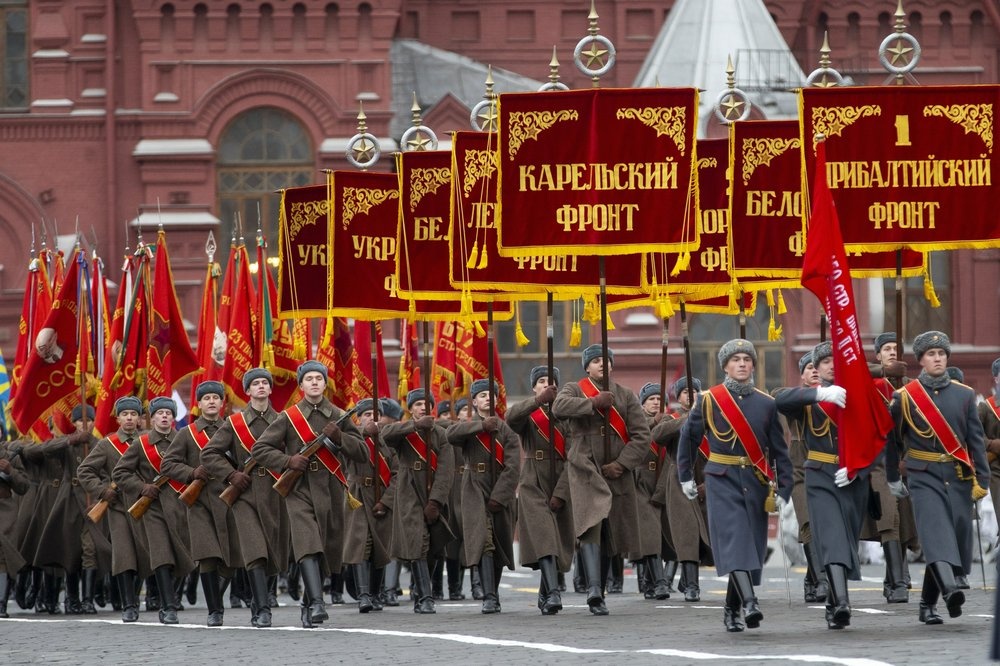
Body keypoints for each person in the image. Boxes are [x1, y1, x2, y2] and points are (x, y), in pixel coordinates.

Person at [679, 339, 792, 632]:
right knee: (736, 540)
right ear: (725, 366)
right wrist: (685, 476)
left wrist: (784, 487)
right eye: (735, 359)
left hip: (755, 481)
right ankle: (751, 602)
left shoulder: (766, 403)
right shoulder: (709, 399)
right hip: (721, 479)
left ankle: (731, 609)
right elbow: (689, 439)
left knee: (749, 547)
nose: (742, 363)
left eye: (747, 358)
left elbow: (779, 451)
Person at [252, 360, 367, 628]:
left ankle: (307, 604)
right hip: (299, 489)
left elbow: (361, 452)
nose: (314, 382)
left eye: (319, 378)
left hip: (330, 489)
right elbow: (260, 449)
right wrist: (287, 461)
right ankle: (317, 603)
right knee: (307, 543)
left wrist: (340, 437)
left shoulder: (338, 414)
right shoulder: (289, 417)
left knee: (325, 548)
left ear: (325, 384)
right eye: (309, 379)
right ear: (301, 385)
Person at [885, 331, 990, 625]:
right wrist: (893, 477)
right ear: (920, 361)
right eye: (931, 354)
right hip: (923, 475)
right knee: (935, 532)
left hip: (957, 476)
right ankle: (950, 589)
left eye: (942, 354)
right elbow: (891, 441)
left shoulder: (965, 394)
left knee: (954, 534)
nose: (937, 359)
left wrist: (981, 478)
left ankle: (927, 604)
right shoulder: (904, 398)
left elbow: (975, 441)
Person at [776, 341, 875, 630]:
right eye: (825, 361)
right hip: (819, 475)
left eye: (837, 360)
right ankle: (843, 602)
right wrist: (819, 393)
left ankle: (833, 600)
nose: (832, 365)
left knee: (846, 541)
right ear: (815, 369)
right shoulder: (808, 401)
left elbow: (877, 439)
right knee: (830, 537)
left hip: (853, 478)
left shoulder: (859, 395)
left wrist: (860, 467)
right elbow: (779, 399)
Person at [551, 344, 651, 616]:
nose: (602, 365)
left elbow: (642, 436)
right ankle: (594, 590)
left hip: (615, 473)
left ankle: (600, 590)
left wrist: (622, 464)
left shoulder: (626, 396)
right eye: (596, 361)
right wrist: (593, 403)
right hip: (585, 469)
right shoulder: (574, 388)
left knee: (610, 534)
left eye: (606, 360)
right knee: (590, 527)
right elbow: (559, 407)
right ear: (587, 367)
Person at [201, 368, 289, 628]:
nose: (261, 387)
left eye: (265, 383)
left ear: (271, 389)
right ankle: (263, 609)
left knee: (274, 553)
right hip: (245, 494)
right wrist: (230, 475)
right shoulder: (234, 424)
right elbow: (209, 454)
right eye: (255, 384)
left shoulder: (284, 420)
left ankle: (258, 599)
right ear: (248, 392)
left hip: (276, 492)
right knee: (254, 550)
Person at [112, 396, 197, 625]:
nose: (165, 417)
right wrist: (142, 487)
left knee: (184, 554)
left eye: (169, 413)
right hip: (153, 507)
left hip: (180, 505)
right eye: (160, 413)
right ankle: (168, 607)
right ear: (153, 417)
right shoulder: (142, 443)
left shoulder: (184, 439)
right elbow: (120, 473)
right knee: (162, 555)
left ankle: (168, 598)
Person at [161, 380, 239, 627]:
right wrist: (192, 473)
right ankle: (215, 610)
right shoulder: (187, 433)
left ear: (222, 402)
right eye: (207, 398)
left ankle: (214, 593)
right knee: (207, 556)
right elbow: (168, 464)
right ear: (199, 403)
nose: (212, 401)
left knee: (231, 559)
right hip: (201, 502)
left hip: (230, 499)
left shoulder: (234, 428)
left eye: (216, 397)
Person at [447, 379, 520, 614]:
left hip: (499, 489)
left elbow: (513, 467)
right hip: (474, 489)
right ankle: (489, 596)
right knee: (484, 540)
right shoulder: (469, 426)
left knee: (498, 543)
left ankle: (494, 592)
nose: (488, 398)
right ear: (475, 401)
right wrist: (481, 427)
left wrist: (500, 496)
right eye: (482, 395)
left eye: (492, 394)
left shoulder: (506, 430)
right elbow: (451, 434)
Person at [506, 365, 574, 615]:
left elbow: (573, 455)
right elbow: (512, 418)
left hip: (560, 479)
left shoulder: (566, 415)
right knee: (544, 534)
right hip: (533, 480)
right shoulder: (529, 415)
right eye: (541, 381)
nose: (546, 384)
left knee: (557, 540)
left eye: (551, 381)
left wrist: (562, 492)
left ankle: (546, 592)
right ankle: (554, 593)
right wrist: (537, 402)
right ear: (534, 386)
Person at [380, 388, 454, 614]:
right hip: (409, 491)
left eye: (426, 403)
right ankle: (426, 597)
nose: (423, 407)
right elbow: (385, 435)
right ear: (410, 408)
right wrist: (414, 427)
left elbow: (446, 469)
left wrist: (436, 501)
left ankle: (421, 592)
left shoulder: (440, 434)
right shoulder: (404, 431)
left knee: (432, 548)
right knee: (417, 541)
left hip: (432, 494)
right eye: (418, 404)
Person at [32, 404, 111, 615]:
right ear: (74, 423)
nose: (84, 424)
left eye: (89, 419)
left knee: (90, 549)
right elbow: (44, 450)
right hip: (69, 502)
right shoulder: (68, 444)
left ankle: (87, 600)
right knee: (71, 550)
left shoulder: (99, 444)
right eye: (79, 420)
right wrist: (71, 440)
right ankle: (72, 599)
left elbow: (107, 473)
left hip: (91, 503)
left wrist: (99, 494)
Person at [78, 399, 152, 623]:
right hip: (119, 506)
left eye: (133, 414)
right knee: (124, 554)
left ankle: (140, 597)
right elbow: (85, 471)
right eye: (125, 414)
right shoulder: (107, 444)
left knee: (144, 554)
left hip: (144, 505)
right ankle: (128, 604)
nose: (129, 418)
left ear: (140, 419)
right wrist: (102, 491)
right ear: (117, 418)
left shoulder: (148, 441)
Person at [862, 332, 914, 604]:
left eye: (897, 348)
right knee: (888, 518)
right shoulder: (870, 383)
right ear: (878, 355)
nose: (893, 352)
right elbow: (843, 374)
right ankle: (896, 582)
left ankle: (896, 574)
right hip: (879, 462)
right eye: (887, 349)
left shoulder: (912, 387)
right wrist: (883, 372)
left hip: (908, 462)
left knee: (905, 520)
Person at [773, 354, 828, 604]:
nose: (815, 371)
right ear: (802, 375)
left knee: (824, 526)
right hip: (800, 470)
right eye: (809, 368)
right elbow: (778, 396)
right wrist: (816, 393)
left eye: (818, 366)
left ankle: (812, 578)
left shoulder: (835, 396)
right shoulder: (796, 398)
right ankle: (822, 580)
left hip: (827, 468)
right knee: (808, 523)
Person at [652, 375, 711, 603]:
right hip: (679, 480)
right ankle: (692, 585)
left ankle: (687, 580)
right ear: (679, 397)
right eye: (685, 392)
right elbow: (657, 435)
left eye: (694, 391)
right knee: (688, 531)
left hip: (707, 479)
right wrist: (688, 420)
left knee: (707, 533)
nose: (690, 395)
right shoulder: (672, 418)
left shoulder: (712, 418)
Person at [341, 397, 397, 614]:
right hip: (357, 496)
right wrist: (365, 433)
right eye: (366, 415)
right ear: (358, 418)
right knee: (360, 543)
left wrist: (387, 500)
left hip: (381, 496)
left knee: (379, 547)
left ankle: (375, 593)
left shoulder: (387, 442)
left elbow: (397, 473)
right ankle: (363, 595)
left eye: (376, 416)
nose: (372, 420)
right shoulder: (353, 438)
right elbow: (347, 448)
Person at [632, 381, 671, 600]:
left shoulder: (669, 422)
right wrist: (652, 423)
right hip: (640, 482)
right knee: (649, 531)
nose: (656, 403)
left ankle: (648, 582)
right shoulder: (636, 423)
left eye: (659, 399)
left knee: (658, 534)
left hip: (663, 481)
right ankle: (660, 582)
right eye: (651, 399)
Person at [0, 437, 30, 618]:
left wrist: (10, 471)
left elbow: (23, 486)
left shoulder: (11, 457)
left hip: (5, 509)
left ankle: (1, 604)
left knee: (3, 555)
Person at [980, 358, 1000, 541]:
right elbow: (975, 435)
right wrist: (993, 445)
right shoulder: (986, 407)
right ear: (996, 379)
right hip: (997, 471)